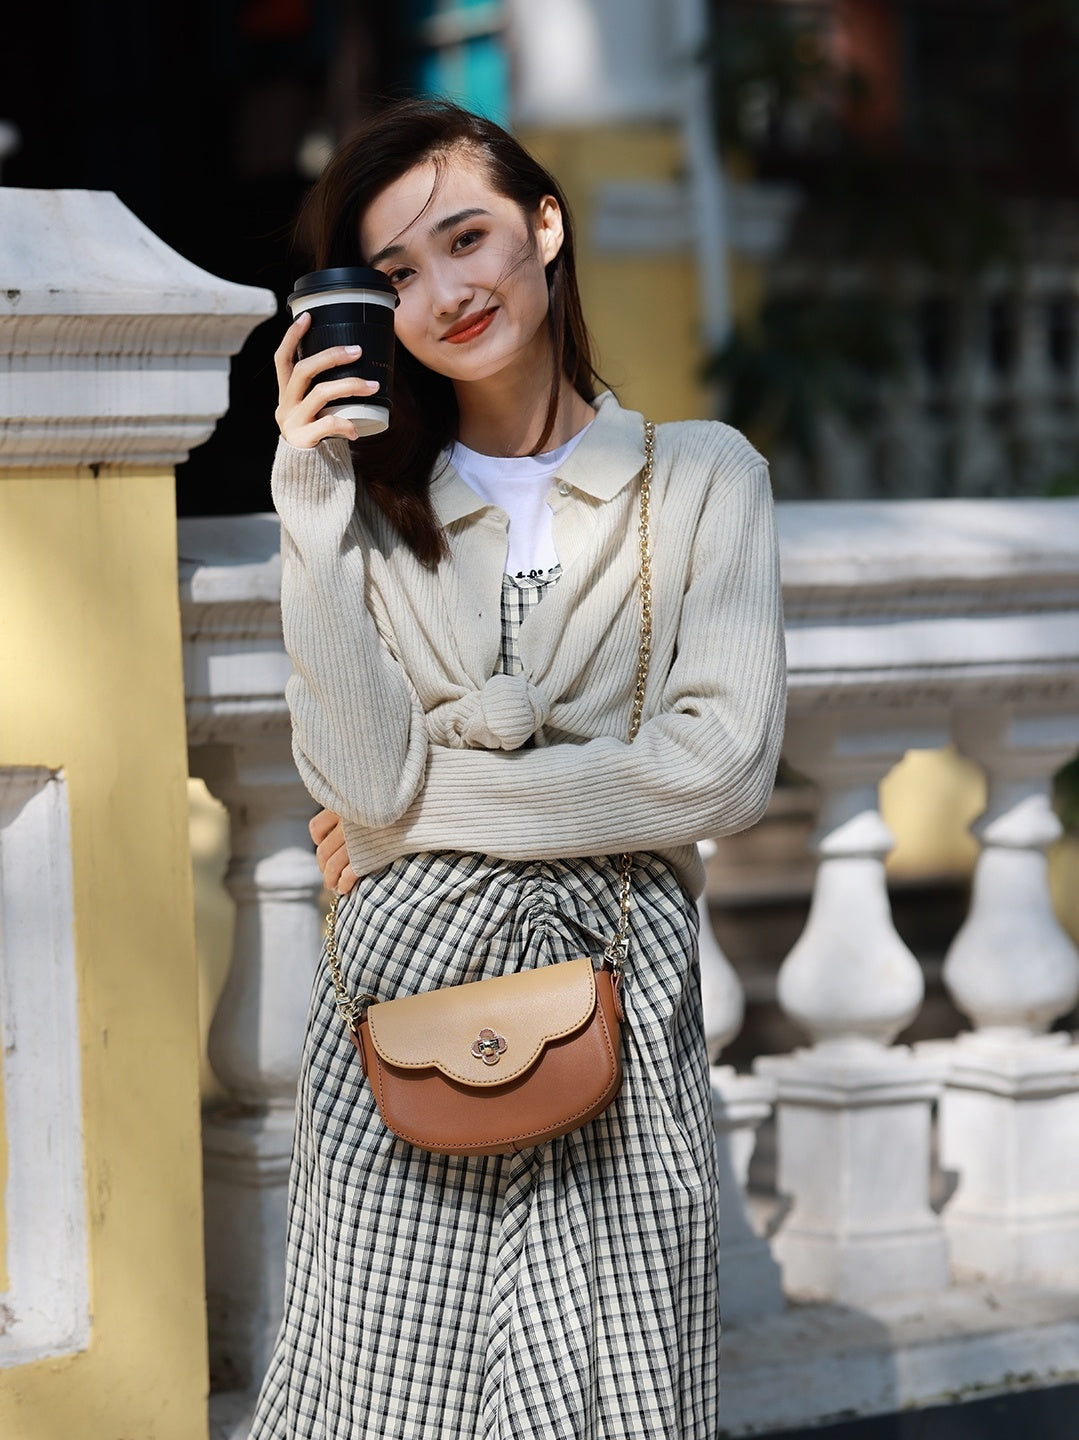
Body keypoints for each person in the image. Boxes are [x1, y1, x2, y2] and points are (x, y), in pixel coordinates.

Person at [251, 97, 786, 1440]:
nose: (445, 291)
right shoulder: (372, 513)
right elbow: (361, 775)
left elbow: (718, 770)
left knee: (606, 1398)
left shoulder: (704, 480)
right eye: (395, 276)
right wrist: (308, 492)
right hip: (398, 1015)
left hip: (615, 1003)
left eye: (466, 237)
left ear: (544, 227)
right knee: (380, 1398)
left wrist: (421, 825)